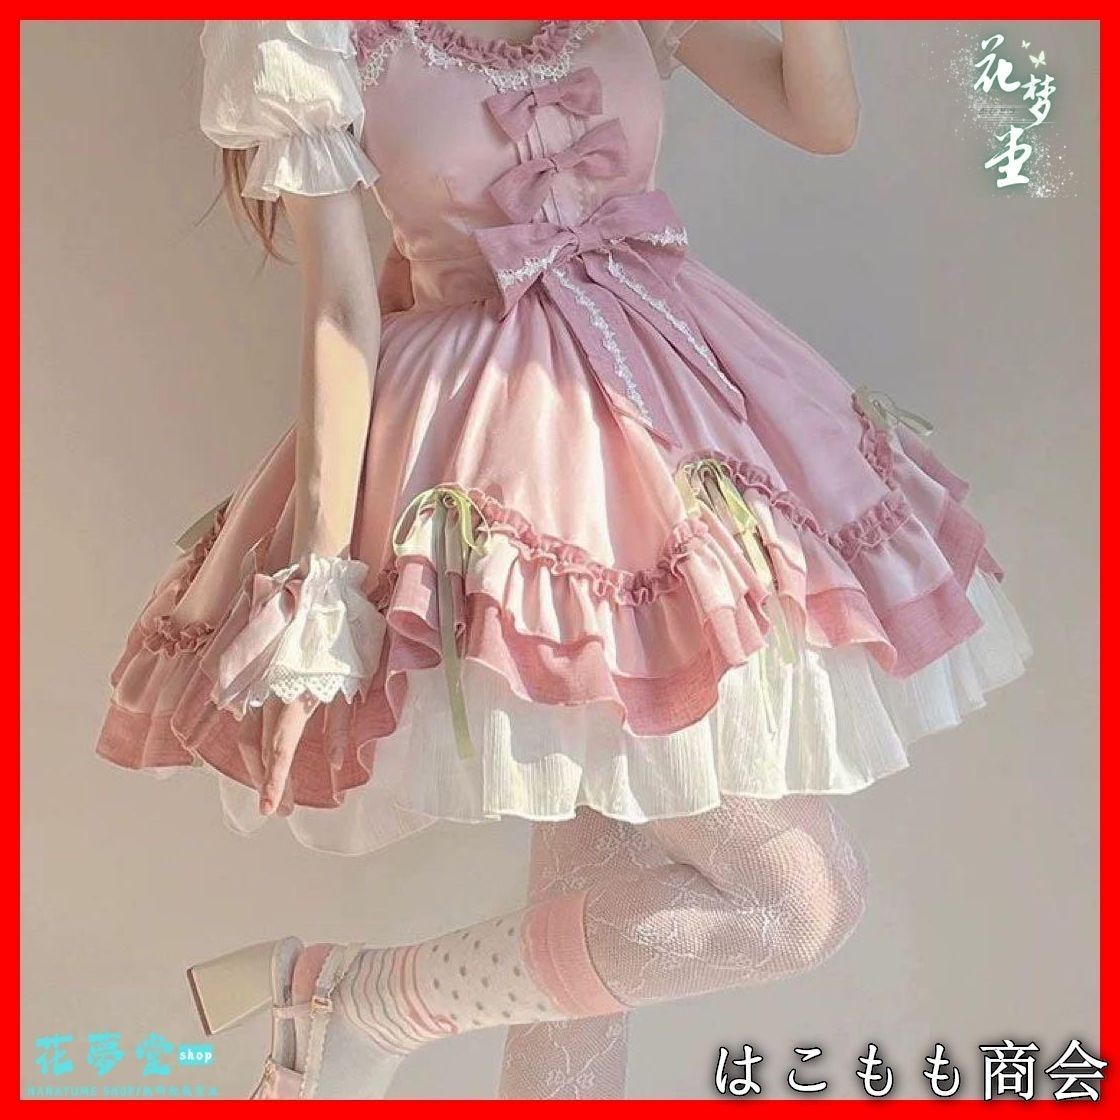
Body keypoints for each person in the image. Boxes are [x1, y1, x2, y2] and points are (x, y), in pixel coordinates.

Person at [95, 20, 1031, 1099]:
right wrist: (319, 581)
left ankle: (356, 1002)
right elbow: (343, 315)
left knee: (604, 916)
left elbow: (819, 118)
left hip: (686, 429)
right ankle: (365, 1000)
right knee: (796, 902)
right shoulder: (310, 33)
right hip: (496, 460)